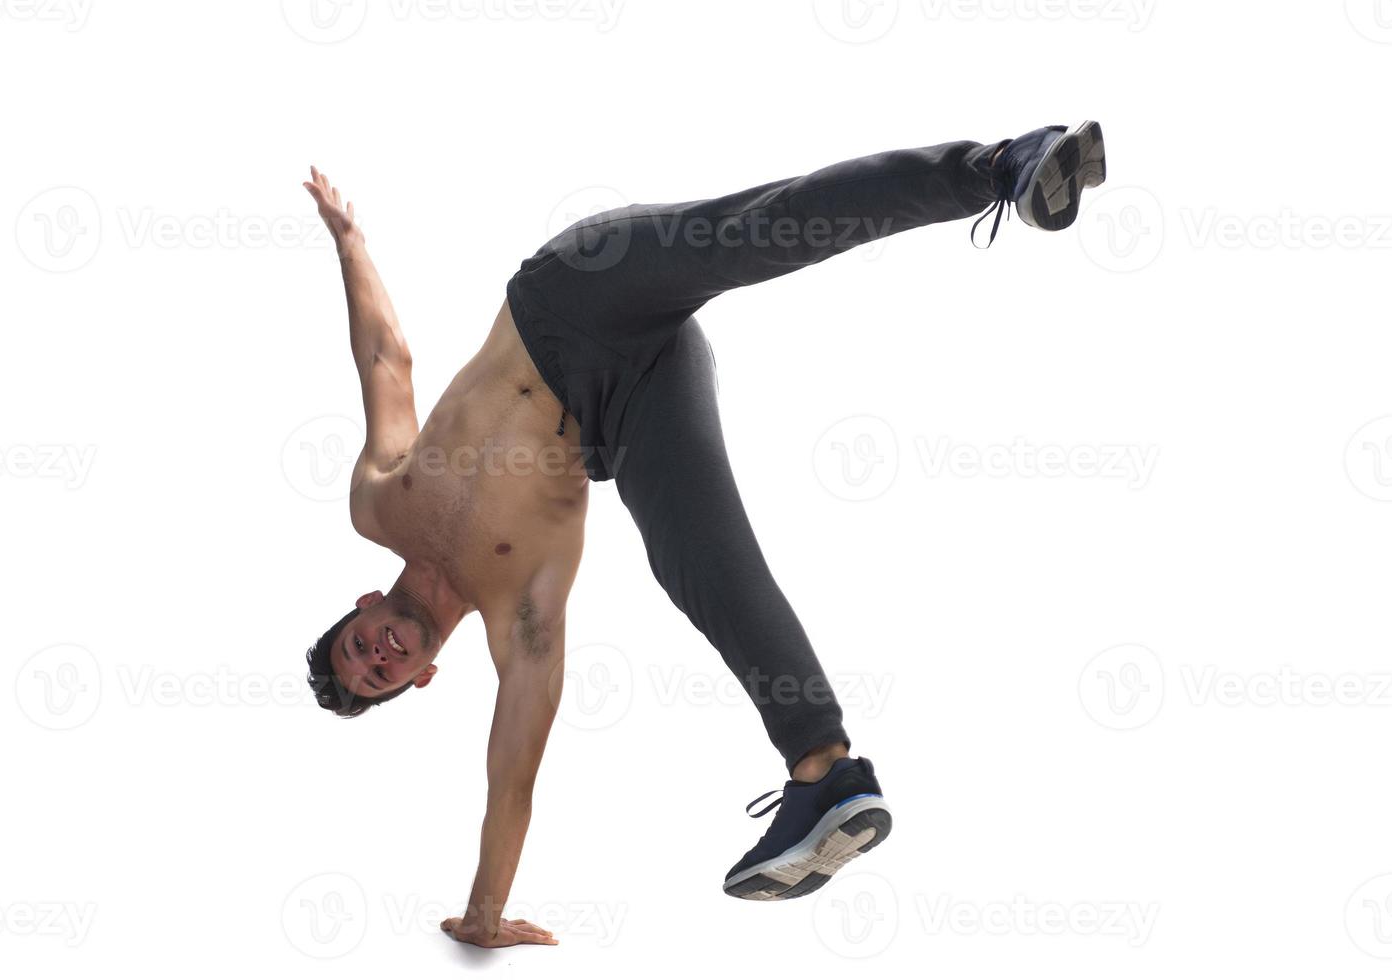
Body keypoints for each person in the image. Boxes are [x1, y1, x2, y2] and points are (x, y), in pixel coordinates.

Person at [299, 121, 1107, 947]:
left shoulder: (380, 506)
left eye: (357, 649)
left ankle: (1001, 166)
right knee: (702, 565)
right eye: (380, 679)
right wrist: (481, 916)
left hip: (572, 296)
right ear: (423, 679)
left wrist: (351, 242)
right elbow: (511, 781)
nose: (377, 658)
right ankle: (825, 775)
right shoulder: (522, 620)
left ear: (363, 608)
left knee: (759, 232)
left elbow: (387, 361)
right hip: (631, 402)